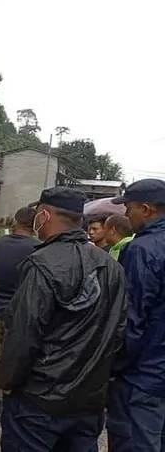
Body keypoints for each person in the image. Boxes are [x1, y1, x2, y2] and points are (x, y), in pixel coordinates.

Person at [0, 187, 127, 452]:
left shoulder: (41, 263)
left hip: (39, 402)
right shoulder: (112, 268)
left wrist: (7, 382)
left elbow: (23, 333)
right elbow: (118, 333)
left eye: (37, 213)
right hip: (87, 403)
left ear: (44, 215)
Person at [107, 179, 165, 451]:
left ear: (146, 209)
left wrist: (112, 367)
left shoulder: (142, 250)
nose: (125, 214)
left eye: (128, 208)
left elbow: (130, 318)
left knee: (133, 442)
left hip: (141, 376)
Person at [0, 206, 38, 423]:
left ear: (16, 221)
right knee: (18, 359)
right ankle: (12, 405)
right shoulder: (38, 248)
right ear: (34, 225)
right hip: (21, 314)